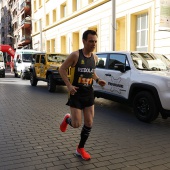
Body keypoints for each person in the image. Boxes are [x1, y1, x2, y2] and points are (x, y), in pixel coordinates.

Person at [59, 30, 106, 161]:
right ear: (84, 41)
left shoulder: (95, 57)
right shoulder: (75, 55)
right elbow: (61, 69)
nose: (94, 44)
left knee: (89, 123)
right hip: (76, 94)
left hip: (89, 94)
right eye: (91, 41)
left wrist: (97, 80)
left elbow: (91, 72)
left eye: (95, 41)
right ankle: (67, 119)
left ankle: (80, 148)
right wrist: (68, 85)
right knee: (76, 124)